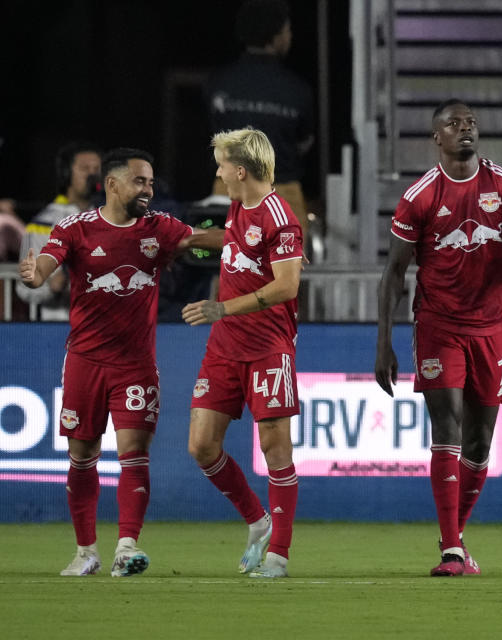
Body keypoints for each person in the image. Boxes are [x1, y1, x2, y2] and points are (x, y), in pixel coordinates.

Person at [375, 99, 502, 576]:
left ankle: (455, 537)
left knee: (479, 444)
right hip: (438, 326)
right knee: (445, 426)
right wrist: (383, 342)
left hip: (491, 329)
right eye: (454, 124)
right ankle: (451, 549)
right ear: (437, 138)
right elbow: (394, 273)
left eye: (470, 122)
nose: (465, 129)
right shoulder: (420, 197)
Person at [18, 148, 195, 577]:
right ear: (113, 185)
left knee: (134, 453)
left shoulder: (160, 229)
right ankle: (85, 552)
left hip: (135, 364)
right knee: (83, 456)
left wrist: (257, 238)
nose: (148, 190)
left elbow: (199, 239)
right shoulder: (76, 228)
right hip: (85, 360)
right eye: (140, 181)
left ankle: (127, 547)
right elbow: (47, 260)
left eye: (151, 182)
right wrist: (37, 273)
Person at [184, 128, 303, 579]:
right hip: (225, 349)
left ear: (240, 169)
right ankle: (257, 520)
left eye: (220, 165)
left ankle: (279, 554)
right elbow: (233, 241)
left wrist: (223, 308)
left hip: (269, 349)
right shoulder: (238, 207)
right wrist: (185, 239)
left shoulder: (281, 218)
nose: (217, 173)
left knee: (275, 447)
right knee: (201, 445)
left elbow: (287, 285)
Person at [206, 0, 314, 233]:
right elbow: (303, 144)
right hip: (283, 194)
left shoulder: (219, 82)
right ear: (275, 37)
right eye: (287, 30)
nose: (290, 36)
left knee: (225, 267)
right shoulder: (297, 89)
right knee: (287, 268)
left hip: (228, 191)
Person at [16, 143, 101, 320]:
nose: (93, 174)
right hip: (57, 327)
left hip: (102, 328)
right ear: (66, 174)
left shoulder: (110, 220)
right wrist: (52, 288)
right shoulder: (43, 223)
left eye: (97, 169)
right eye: (85, 168)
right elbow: (24, 288)